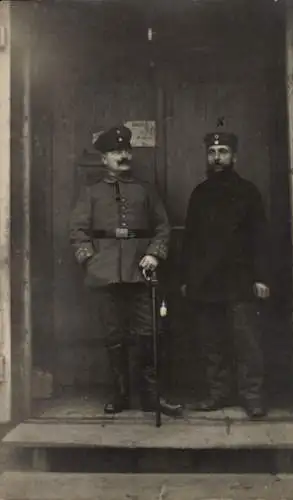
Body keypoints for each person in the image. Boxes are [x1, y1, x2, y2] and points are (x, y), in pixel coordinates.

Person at [69, 124, 182, 417]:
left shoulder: (145, 190)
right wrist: (90, 260)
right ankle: (119, 395)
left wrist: (155, 255)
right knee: (114, 335)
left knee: (149, 333)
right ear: (103, 158)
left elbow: (162, 227)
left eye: (126, 150)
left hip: (140, 271)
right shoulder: (90, 192)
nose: (123, 155)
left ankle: (151, 397)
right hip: (105, 273)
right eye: (115, 151)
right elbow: (77, 231)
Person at [181, 131, 270, 419]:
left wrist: (262, 278)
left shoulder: (248, 192)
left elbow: (261, 238)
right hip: (206, 282)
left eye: (222, 151)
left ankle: (252, 397)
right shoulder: (200, 193)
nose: (217, 157)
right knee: (212, 343)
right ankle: (217, 394)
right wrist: (186, 279)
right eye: (212, 152)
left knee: (247, 343)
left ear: (234, 156)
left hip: (240, 281)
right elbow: (190, 241)